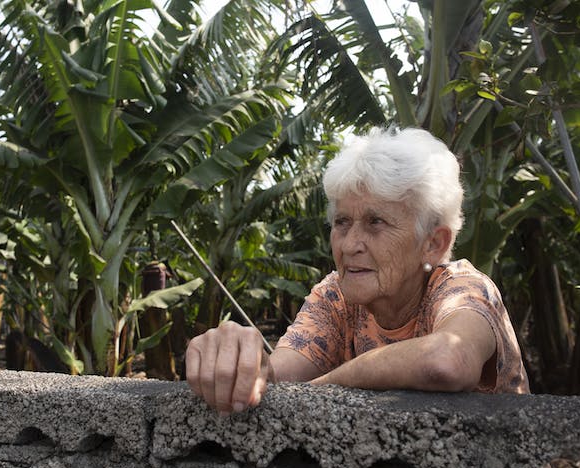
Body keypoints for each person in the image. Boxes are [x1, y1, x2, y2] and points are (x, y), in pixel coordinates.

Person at [186, 127, 530, 416]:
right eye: (342, 222)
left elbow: (448, 358)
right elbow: (278, 377)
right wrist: (238, 359)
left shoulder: (463, 288)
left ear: (434, 244)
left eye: (375, 222)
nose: (349, 245)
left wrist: (323, 387)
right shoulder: (336, 295)